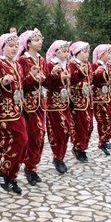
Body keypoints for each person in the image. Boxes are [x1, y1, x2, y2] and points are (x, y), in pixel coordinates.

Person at [0, 33, 27, 194]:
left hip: (18, 110)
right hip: (4, 112)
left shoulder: (17, 65)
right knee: (16, 143)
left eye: (16, 46)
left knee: (23, 144)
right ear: (2, 47)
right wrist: (1, 83)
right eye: (10, 45)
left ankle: (11, 176)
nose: (14, 49)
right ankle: (3, 171)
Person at [15, 29, 47, 186]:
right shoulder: (22, 61)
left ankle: (33, 166)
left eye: (41, 39)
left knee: (41, 136)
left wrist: (53, 73)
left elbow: (47, 81)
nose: (40, 42)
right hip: (28, 105)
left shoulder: (42, 60)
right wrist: (32, 78)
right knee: (33, 136)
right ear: (28, 44)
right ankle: (29, 167)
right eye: (36, 40)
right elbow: (20, 84)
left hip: (41, 103)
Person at [44, 40, 72, 174]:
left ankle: (60, 156)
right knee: (58, 131)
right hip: (53, 104)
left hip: (65, 102)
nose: (67, 54)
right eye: (64, 51)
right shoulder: (50, 65)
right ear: (56, 52)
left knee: (66, 130)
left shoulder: (69, 64)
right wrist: (55, 75)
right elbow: (46, 83)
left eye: (68, 51)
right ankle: (57, 157)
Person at [67, 41, 93, 162]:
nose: (87, 54)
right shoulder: (72, 64)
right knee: (80, 127)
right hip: (77, 100)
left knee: (89, 126)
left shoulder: (88, 64)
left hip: (87, 99)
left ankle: (83, 147)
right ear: (77, 52)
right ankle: (78, 148)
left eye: (88, 51)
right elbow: (71, 80)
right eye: (84, 51)